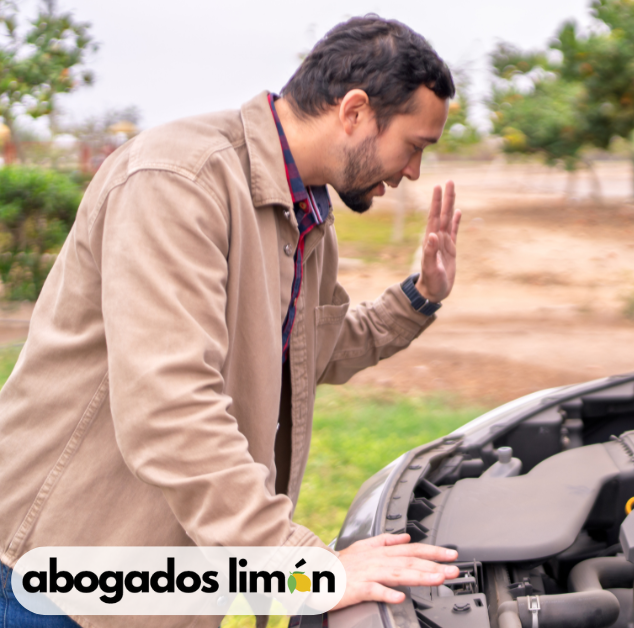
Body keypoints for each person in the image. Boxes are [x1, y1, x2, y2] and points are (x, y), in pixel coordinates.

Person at [0, 16, 464, 628]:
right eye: (415, 145)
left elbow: (309, 352)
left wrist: (419, 297)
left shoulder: (303, 212)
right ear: (354, 112)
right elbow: (168, 410)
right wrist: (303, 568)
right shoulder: (179, 179)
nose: (412, 173)